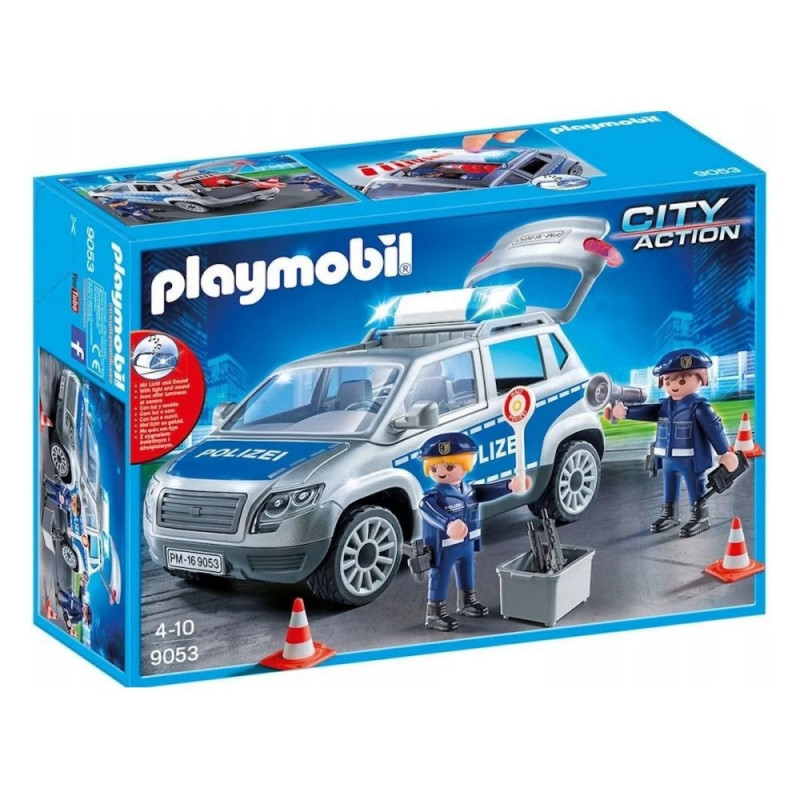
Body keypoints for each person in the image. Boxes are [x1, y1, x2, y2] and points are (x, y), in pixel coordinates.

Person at [611, 348, 738, 537]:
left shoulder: (699, 407)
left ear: (701, 377)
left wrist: (725, 452)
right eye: (668, 381)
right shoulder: (665, 406)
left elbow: (714, 428)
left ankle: (700, 517)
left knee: (696, 487)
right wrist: (627, 412)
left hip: (691, 459)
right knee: (669, 486)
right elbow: (647, 411)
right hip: (668, 458)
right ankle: (669, 514)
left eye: (682, 380)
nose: (673, 385)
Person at [418, 432, 531, 631]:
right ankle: (435, 612)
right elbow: (427, 509)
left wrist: (509, 486)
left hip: (466, 543)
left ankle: (467, 601)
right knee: (440, 575)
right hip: (444, 546)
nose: (441, 472)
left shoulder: (469, 490)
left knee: (467, 570)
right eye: (434, 468)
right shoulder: (434, 496)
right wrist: (449, 524)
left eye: (449, 466)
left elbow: (487, 491)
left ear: (466, 464)